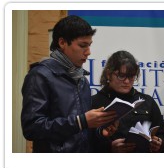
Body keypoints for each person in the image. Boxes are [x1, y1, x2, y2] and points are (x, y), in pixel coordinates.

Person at [21, 15, 116, 153]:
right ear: (62, 43)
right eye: (83, 45)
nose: (88, 52)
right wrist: (80, 122)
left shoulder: (82, 79)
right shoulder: (39, 75)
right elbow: (32, 129)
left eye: (89, 45)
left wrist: (101, 132)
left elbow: (81, 133)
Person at [91, 50, 164, 153]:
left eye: (131, 76)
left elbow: (163, 136)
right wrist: (109, 148)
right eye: (121, 76)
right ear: (108, 74)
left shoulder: (147, 101)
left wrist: (159, 143)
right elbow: (85, 141)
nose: (127, 81)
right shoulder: (94, 102)